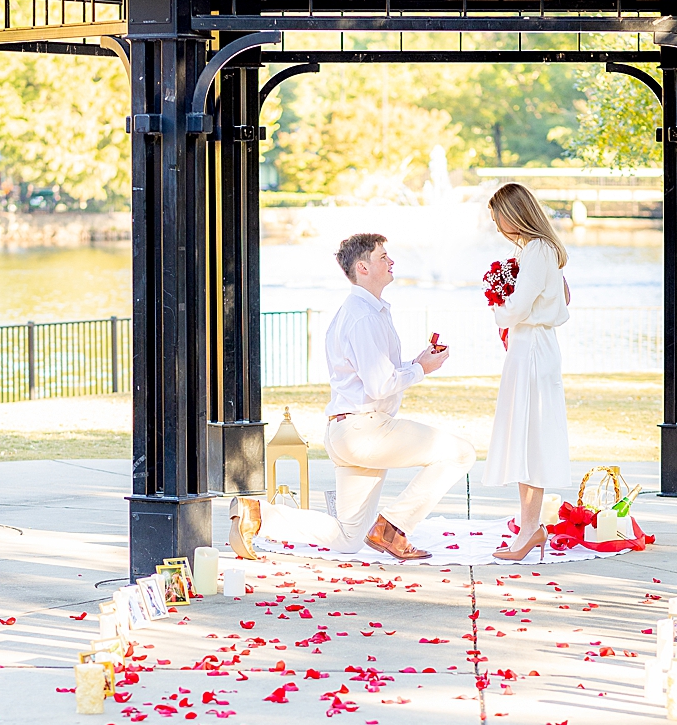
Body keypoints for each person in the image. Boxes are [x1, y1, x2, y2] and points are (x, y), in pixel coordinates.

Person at [231, 231, 476, 563]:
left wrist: (417, 362)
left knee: (348, 538)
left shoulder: (365, 312)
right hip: (366, 430)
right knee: (460, 453)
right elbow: (378, 386)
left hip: (347, 431)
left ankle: (256, 514)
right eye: (382, 257)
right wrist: (421, 370)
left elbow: (373, 374)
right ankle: (393, 528)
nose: (391, 261)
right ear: (363, 267)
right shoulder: (362, 317)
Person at [482, 181, 571, 561]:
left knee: (530, 441)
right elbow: (563, 296)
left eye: (498, 216)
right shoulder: (539, 251)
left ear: (513, 213)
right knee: (526, 440)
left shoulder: (537, 250)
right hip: (531, 346)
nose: (497, 223)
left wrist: (498, 309)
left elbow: (518, 308)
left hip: (531, 348)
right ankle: (529, 527)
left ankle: (530, 529)